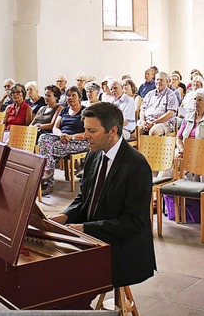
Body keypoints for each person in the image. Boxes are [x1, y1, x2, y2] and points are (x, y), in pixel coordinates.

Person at [49, 102, 156, 288]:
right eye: (85, 129)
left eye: (92, 130)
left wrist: (85, 229)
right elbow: (83, 199)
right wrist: (64, 216)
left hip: (122, 250)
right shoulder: (94, 154)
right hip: (94, 239)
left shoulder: (136, 165)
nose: (85, 136)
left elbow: (134, 223)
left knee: (64, 281)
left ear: (112, 131)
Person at [38, 87, 88, 195]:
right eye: (68, 95)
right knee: (43, 138)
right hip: (62, 137)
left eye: (73, 95)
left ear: (79, 97)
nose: (70, 98)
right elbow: (55, 127)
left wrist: (72, 136)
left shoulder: (85, 111)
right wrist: (61, 135)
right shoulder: (64, 110)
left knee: (52, 148)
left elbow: (88, 133)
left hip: (78, 140)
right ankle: (46, 179)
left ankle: (46, 182)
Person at [176, 89, 204, 155]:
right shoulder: (187, 117)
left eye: (200, 100)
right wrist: (181, 149)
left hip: (200, 152)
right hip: (183, 150)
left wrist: (191, 152)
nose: (196, 102)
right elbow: (179, 138)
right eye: (195, 99)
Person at [137, 72, 178, 136]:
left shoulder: (171, 95)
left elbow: (170, 113)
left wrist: (154, 123)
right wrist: (143, 121)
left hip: (164, 123)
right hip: (147, 121)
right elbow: (142, 109)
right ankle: (141, 146)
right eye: (157, 79)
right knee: (138, 130)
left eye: (161, 80)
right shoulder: (149, 94)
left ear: (167, 82)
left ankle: (151, 146)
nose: (158, 81)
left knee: (154, 131)